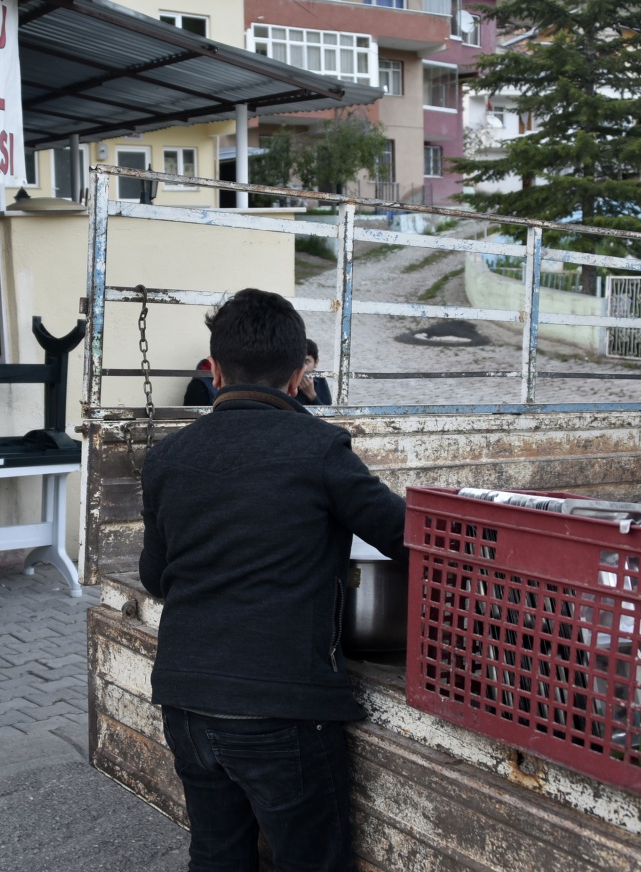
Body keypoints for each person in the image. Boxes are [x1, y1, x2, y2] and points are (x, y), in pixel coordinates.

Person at [138, 288, 406, 871]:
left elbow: (155, 577)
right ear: (298, 375)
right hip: (282, 707)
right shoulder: (319, 448)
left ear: (213, 372)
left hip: (186, 702)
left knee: (217, 855)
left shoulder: (166, 459)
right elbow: (406, 538)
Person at [297, 337, 332, 406]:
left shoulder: (320, 379)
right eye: (298, 361)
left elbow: (328, 413)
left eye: (306, 361)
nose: (302, 367)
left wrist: (312, 395)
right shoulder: (288, 381)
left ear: (316, 363)